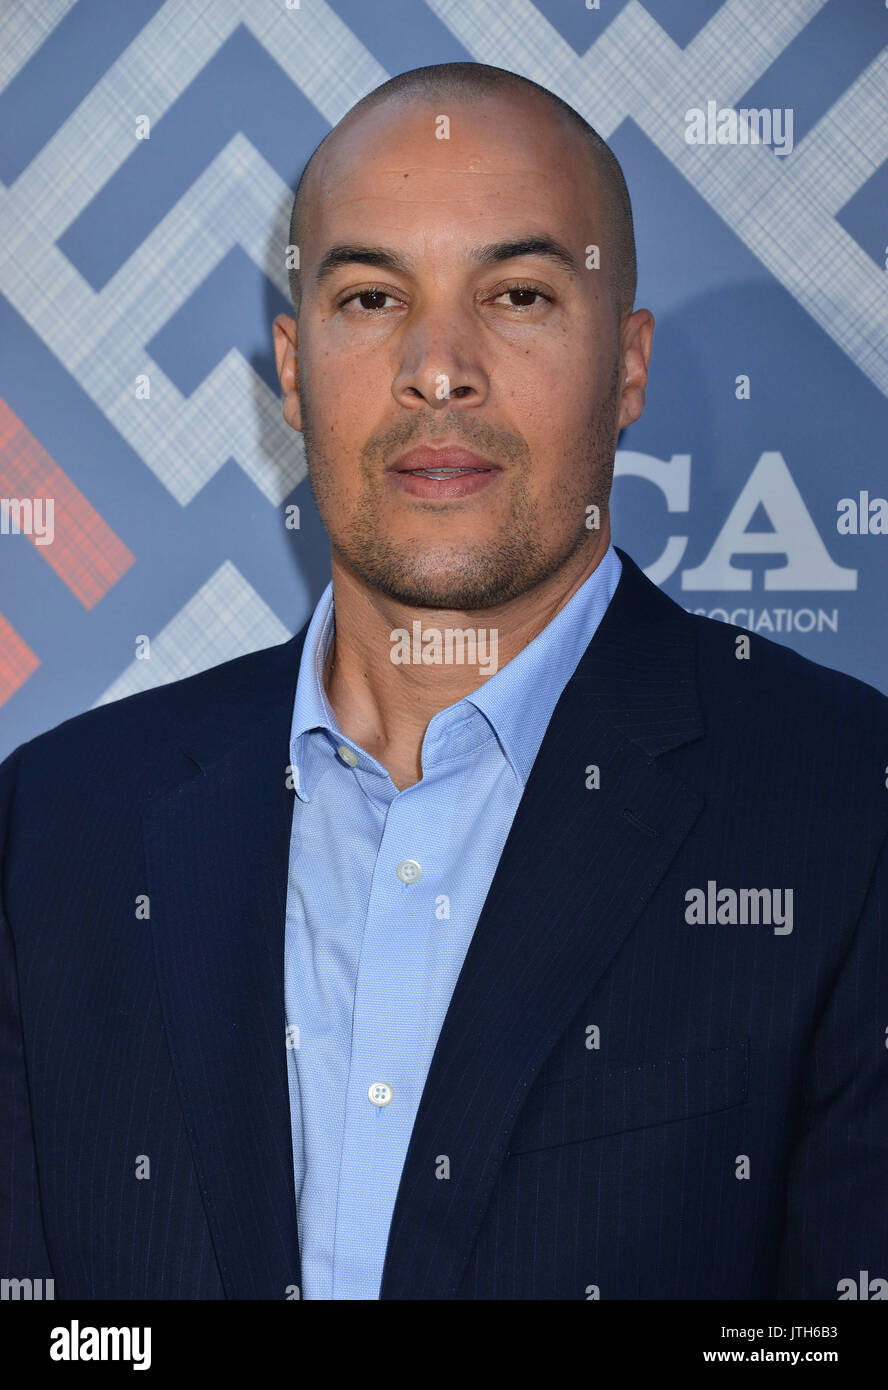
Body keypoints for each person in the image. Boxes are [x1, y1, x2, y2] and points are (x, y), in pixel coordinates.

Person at [2, 62, 886, 1302]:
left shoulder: (845, 808)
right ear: (294, 367)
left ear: (629, 368)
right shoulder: (57, 828)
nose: (438, 369)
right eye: (371, 297)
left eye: (518, 293)